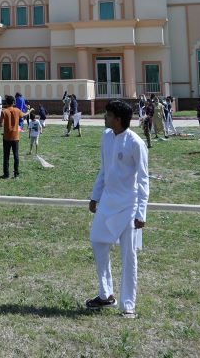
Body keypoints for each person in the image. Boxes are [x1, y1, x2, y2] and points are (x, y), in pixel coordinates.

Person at [86, 100, 149, 320]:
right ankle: (106, 295)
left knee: (128, 255)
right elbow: (104, 170)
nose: (105, 117)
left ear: (118, 119)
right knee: (97, 241)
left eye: (108, 115)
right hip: (108, 202)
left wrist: (141, 212)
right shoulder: (106, 136)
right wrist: (95, 196)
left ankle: (128, 305)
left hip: (129, 206)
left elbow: (143, 180)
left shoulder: (135, 143)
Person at [0, 95, 22, 179]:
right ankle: (16, 174)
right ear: (13, 102)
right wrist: (29, 111)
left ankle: (6, 174)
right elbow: (24, 115)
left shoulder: (4, 111)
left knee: (6, 156)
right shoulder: (17, 110)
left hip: (7, 137)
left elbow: (0, 124)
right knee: (16, 156)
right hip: (15, 137)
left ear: (6, 102)